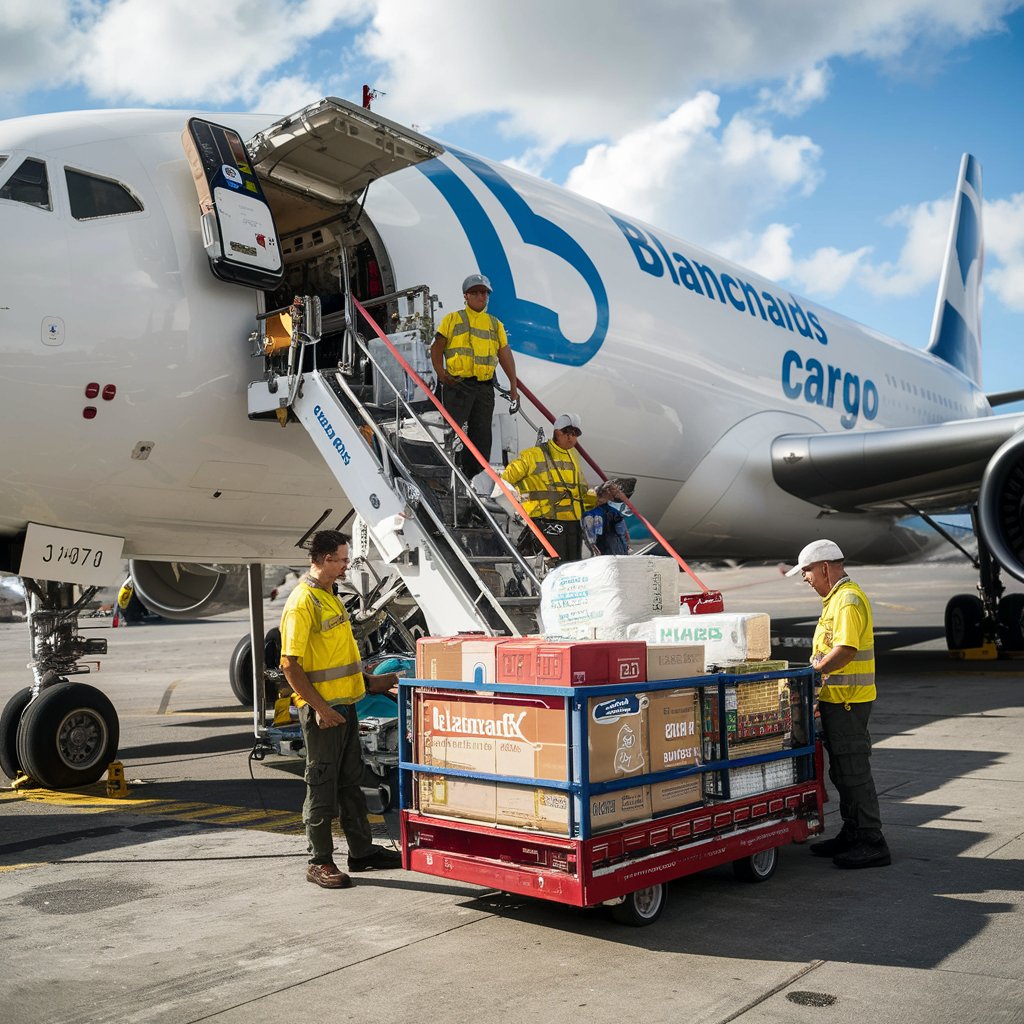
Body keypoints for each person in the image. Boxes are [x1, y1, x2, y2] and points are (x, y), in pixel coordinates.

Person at [279, 529, 403, 889]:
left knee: (351, 782)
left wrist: (372, 683)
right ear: (322, 559)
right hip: (325, 713)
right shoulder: (302, 603)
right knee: (321, 785)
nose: (347, 565)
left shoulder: (330, 596)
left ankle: (362, 853)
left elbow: (338, 661)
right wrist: (319, 708)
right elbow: (290, 664)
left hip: (346, 706)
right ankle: (318, 861)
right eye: (342, 559)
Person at [786, 539, 891, 869]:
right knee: (842, 773)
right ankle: (853, 832)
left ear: (825, 568)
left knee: (854, 771)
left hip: (848, 702)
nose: (805, 579)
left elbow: (845, 650)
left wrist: (812, 673)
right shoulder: (834, 600)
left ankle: (872, 840)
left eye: (806, 572)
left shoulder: (846, 600)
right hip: (836, 701)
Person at [431, 273, 519, 480]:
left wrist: (514, 388)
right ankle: (445, 475)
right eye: (477, 293)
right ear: (466, 296)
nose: (482, 296)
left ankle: (474, 478)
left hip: (484, 389)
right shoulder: (453, 319)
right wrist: (441, 374)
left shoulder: (495, 324)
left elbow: (505, 355)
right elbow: (437, 347)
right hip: (458, 385)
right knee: (450, 434)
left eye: (485, 293)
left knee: (481, 438)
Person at [501, 413, 597, 562]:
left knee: (571, 569)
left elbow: (580, 491)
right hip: (544, 523)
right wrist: (515, 510)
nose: (571, 438)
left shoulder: (573, 456)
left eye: (575, 434)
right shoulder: (532, 455)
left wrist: (599, 498)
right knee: (553, 569)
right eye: (567, 433)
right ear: (557, 432)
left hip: (572, 526)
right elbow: (504, 481)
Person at [582, 479, 630, 555]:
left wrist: (594, 548)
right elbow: (623, 531)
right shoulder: (614, 511)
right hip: (613, 545)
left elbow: (591, 535)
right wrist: (626, 545)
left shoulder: (591, 514)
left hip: (607, 545)